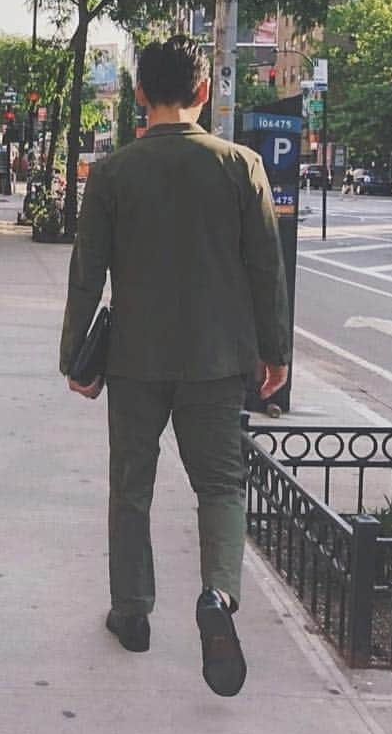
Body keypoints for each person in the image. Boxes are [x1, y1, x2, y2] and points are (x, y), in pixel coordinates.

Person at [59, 36, 290, 698]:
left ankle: (132, 613)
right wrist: (274, 351)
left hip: (135, 359)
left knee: (131, 483)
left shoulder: (113, 174)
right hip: (218, 362)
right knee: (220, 485)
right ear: (204, 92)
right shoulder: (240, 166)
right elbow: (265, 268)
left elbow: (87, 275)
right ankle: (218, 595)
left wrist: (77, 355)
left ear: (138, 94)